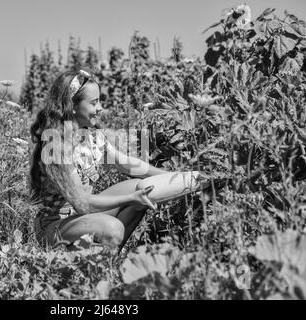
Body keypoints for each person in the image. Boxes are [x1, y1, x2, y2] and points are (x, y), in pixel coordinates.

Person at [29, 69, 210, 251]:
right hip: (56, 226)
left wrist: (175, 177)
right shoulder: (55, 147)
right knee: (113, 227)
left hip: (82, 216)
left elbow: (129, 165)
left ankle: (105, 256)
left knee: (144, 186)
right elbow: (82, 203)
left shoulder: (91, 137)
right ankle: (79, 263)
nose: (100, 108)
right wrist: (130, 199)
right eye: (94, 103)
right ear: (72, 106)